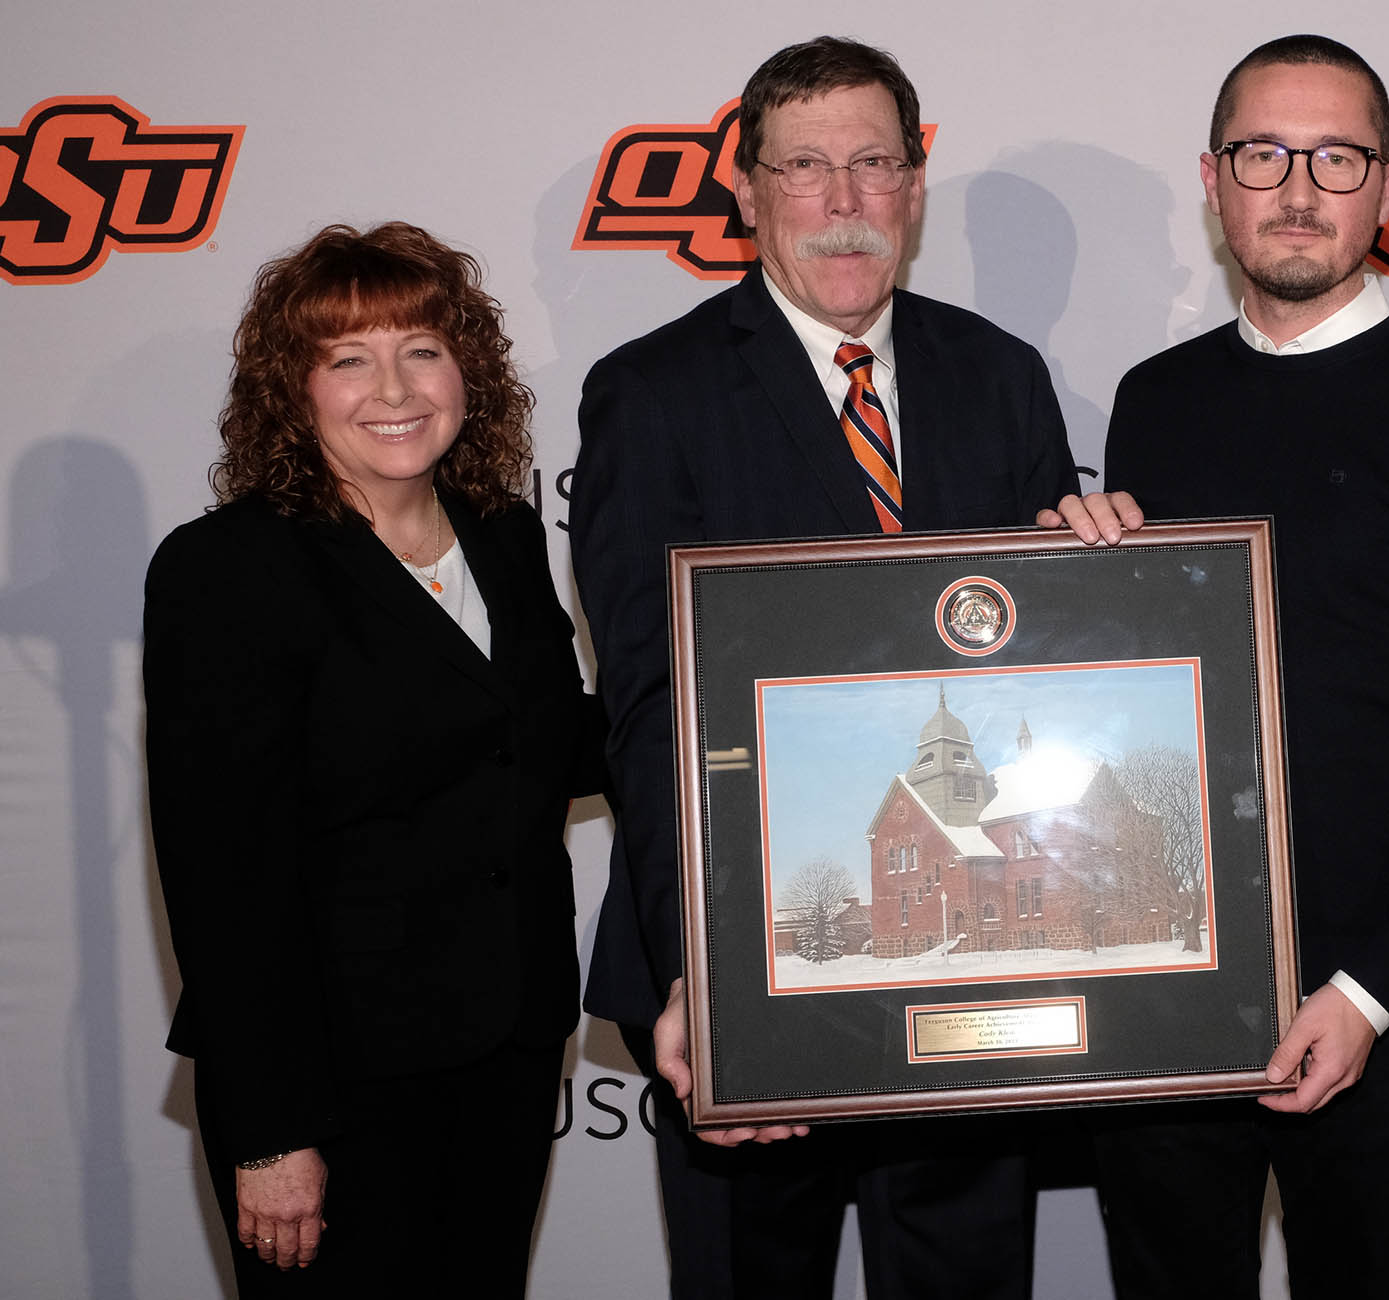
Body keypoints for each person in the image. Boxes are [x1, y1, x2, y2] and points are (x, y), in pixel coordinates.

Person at [570, 35, 1081, 1300]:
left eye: (872, 163)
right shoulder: (651, 396)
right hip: (739, 964)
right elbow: (646, 705)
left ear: (917, 179)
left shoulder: (1000, 375)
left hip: (966, 976)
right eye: (804, 167)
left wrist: (1100, 583)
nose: (843, 202)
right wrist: (703, 969)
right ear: (744, 188)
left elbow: (1037, 685)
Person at [1082, 34, 1389, 1299]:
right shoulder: (1154, 402)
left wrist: (1368, 993)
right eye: (1262, 154)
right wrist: (1065, 590)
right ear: (1212, 177)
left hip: (1371, 1006)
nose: (1297, 188)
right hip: (1162, 991)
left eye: (1337, 156)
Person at [143, 222, 603, 1296]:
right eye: (348, 357)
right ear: (292, 390)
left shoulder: (500, 532)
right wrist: (270, 1133)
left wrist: (743, 707)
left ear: (466, 372)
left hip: (507, 1040)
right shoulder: (228, 569)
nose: (392, 386)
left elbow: (539, 740)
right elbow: (223, 874)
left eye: (422, 349)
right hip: (331, 1078)